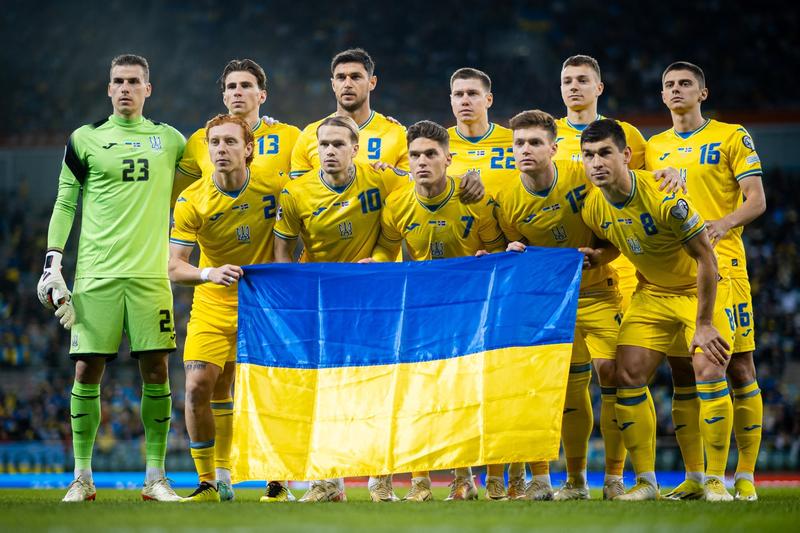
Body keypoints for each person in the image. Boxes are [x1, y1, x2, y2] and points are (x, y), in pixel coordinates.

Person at [36, 54, 185, 502]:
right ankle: (82, 477)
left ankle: (155, 478)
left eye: (133, 81)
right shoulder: (85, 140)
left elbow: (218, 156)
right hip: (96, 275)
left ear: (148, 89)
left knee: (157, 370)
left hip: (149, 277)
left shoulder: (171, 140)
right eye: (117, 81)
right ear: (108, 89)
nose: (124, 88)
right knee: (86, 369)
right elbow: (65, 202)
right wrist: (53, 261)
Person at [580, 119, 735, 501]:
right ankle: (647, 483)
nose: (596, 162)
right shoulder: (593, 206)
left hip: (700, 291)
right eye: (588, 155)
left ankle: (715, 482)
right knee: (626, 375)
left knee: (707, 367)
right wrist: (600, 256)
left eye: (605, 153)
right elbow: (616, 240)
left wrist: (702, 324)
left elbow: (706, 258)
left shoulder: (666, 198)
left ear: (627, 156)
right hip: (652, 295)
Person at [175, 58, 299, 504]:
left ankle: (277, 479)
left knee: (267, 389)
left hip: (263, 299)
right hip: (212, 297)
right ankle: (211, 481)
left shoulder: (275, 183)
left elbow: (308, 207)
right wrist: (208, 273)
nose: (221, 149)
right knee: (198, 386)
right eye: (215, 143)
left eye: (231, 141)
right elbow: (175, 264)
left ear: (250, 149)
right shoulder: (193, 198)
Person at [645, 61, 766, 501]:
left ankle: (744, 475)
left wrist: (721, 223)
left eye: (685, 85)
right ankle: (698, 478)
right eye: (669, 86)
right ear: (662, 96)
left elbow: (757, 200)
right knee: (685, 372)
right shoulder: (653, 147)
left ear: (703, 93)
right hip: (674, 273)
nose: (676, 90)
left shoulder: (731, 136)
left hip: (724, 266)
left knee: (738, 366)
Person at [366, 120, 505, 502]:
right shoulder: (397, 203)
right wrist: (376, 262)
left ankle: (467, 480)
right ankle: (421, 484)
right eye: (415, 155)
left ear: (448, 158)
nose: (422, 161)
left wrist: (488, 258)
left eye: (430, 154)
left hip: (472, 308)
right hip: (424, 308)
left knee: (466, 396)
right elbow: (386, 249)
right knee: (420, 394)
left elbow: (500, 248)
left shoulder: (474, 197)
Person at [273, 115, 410, 502]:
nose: (329, 151)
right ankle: (326, 482)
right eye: (323, 145)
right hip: (322, 304)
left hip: (372, 300)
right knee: (325, 395)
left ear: (356, 149)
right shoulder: (295, 193)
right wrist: (292, 300)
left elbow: (427, 184)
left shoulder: (381, 178)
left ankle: (380, 482)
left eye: (337, 144)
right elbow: (283, 252)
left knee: (377, 391)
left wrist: (470, 180)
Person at [494, 110, 623, 501]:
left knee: (616, 378)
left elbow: (620, 227)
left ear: (554, 147)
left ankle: (617, 480)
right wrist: (510, 250)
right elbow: (512, 252)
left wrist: (600, 257)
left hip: (599, 292)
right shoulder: (507, 199)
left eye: (535, 142)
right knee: (559, 390)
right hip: (549, 303)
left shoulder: (584, 175)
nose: (526, 150)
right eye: (519, 143)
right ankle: (574, 481)